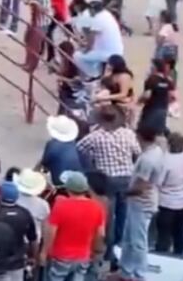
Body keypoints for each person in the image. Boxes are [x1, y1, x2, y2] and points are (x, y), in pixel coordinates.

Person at [76, 107, 140, 257]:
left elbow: (79, 149)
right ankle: (120, 244)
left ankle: (109, 249)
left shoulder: (95, 137)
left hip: (107, 179)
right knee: (123, 213)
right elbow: (137, 154)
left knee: (108, 216)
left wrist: (92, 160)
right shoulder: (128, 134)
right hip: (126, 177)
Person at [39, 172, 105, 281]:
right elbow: (101, 234)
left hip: (61, 256)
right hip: (83, 256)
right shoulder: (96, 207)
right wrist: (93, 251)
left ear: (68, 189)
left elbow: (51, 232)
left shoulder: (61, 206)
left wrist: (44, 252)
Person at [119, 126, 165, 281]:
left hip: (141, 203)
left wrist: (123, 193)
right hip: (139, 202)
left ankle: (138, 274)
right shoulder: (155, 151)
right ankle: (126, 271)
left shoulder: (148, 159)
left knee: (138, 242)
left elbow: (141, 187)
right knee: (129, 239)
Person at [154, 132, 183, 255]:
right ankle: (179, 256)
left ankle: (161, 256)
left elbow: (159, 182)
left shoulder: (165, 160)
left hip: (168, 202)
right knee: (179, 232)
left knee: (163, 234)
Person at [74, 0, 124, 79]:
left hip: (108, 53)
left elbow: (90, 42)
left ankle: (93, 76)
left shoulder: (97, 19)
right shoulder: (107, 15)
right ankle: (96, 74)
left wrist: (84, 49)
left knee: (77, 56)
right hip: (116, 50)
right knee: (91, 55)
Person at [39, 115, 83, 187]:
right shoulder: (74, 144)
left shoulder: (52, 145)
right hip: (77, 179)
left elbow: (45, 162)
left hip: (58, 180)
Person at [137, 58, 173, 135]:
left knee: (143, 133)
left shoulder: (151, 79)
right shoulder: (168, 80)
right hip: (162, 111)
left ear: (155, 68)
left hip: (151, 110)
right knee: (158, 134)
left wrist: (138, 101)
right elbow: (171, 96)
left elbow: (147, 95)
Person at [13, 170, 50, 238]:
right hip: (33, 239)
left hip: (13, 237)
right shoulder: (43, 205)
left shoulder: (13, 198)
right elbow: (45, 228)